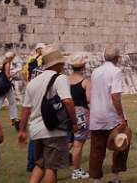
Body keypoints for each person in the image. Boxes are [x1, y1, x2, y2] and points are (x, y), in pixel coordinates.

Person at [17, 46, 78, 183]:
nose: (63, 64)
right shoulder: (60, 79)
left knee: (40, 165)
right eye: (61, 62)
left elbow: (26, 109)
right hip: (53, 130)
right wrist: (74, 122)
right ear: (56, 64)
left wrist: (22, 131)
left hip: (36, 130)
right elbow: (67, 101)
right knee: (51, 168)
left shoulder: (33, 82)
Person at [89, 48, 130, 183]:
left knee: (96, 150)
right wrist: (120, 116)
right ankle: (114, 176)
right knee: (122, 144)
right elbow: (115, 95)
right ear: (117, 58)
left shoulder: (95, 71)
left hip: (96, 115)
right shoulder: (116, 71)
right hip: (111, 116)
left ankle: (96, 179)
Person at [22, 42, 47, 172]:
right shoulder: (43, 63)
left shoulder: (32, 62)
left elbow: (24, 74)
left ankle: (32, 162)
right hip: (44, 100)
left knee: (35, 131)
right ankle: (41, 161)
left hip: (33, 97)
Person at [68, 54, 91, 180]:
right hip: (81, 113)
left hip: (67, 112)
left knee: (69, 141)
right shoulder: (85, 82)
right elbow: (89, 99)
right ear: (83, 66)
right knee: (78, 144)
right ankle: (76, 170)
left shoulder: (65, 80)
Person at [0, 51, 20, 130]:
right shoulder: (8, 64)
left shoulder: (1, 64)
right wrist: (15, 73)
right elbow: (7, 75)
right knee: (12, 102)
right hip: (7, 86)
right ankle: (14, 119)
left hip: (0, 86)